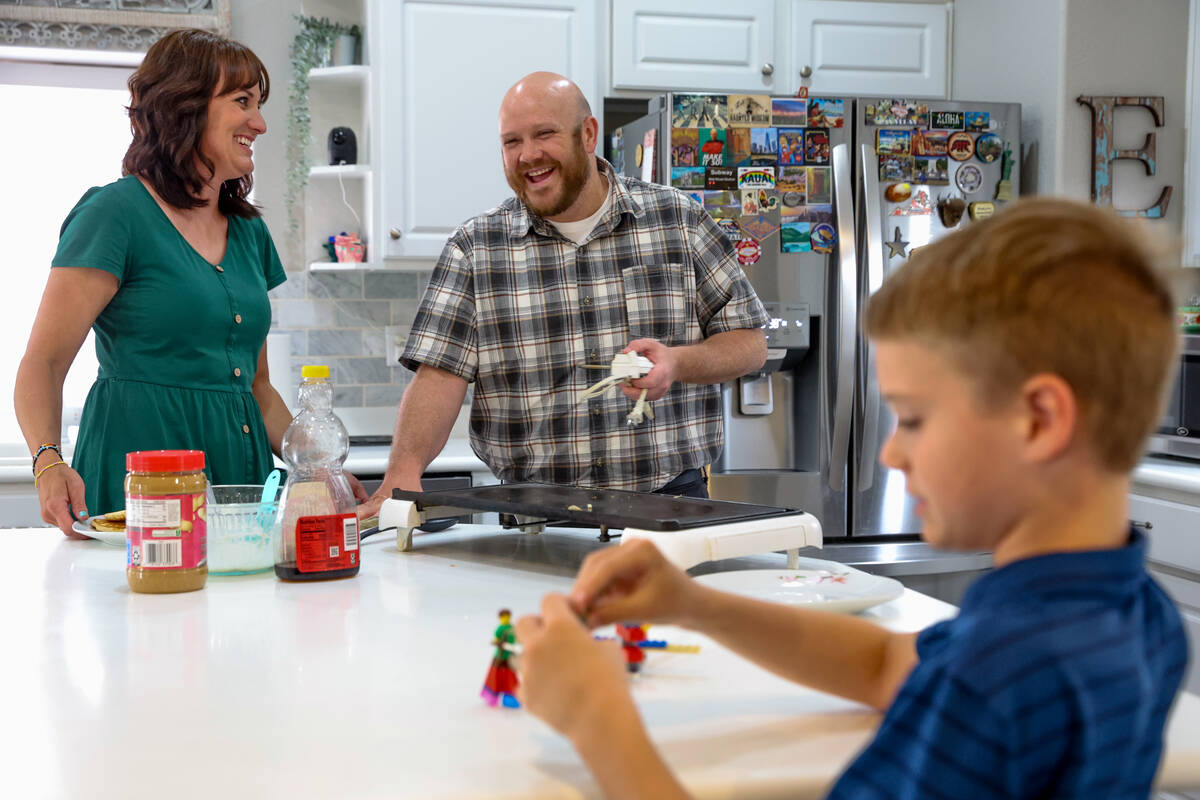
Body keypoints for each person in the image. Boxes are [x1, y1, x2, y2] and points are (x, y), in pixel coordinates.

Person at [512, 198, 1189, 799]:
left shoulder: (1000, 679)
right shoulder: (1130, 613)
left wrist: (597, 718)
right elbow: (886, 664)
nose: (891, 454)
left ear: (1039, 421)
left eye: (914, 419)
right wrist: (691, 604)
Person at [358, 72, 767, 517]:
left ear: (588, 134)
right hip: (534, 520)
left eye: (544, 134)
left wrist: (677, 361)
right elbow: (439, 377)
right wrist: (402, 472)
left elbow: (749, 344)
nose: (527, 155)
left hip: (670, 506)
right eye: (511, 142)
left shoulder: (678, 220)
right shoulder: (476, 248)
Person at [15, 29, 366, 536]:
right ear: (185, 106)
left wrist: (318, 470)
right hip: (142, 479)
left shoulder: (248, 231)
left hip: (240, 484)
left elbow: (259, 387)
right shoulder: (114, 215)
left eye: (260, 104)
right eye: (242, 102)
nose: (260, 123)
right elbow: (42, 364)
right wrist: (47, 462)